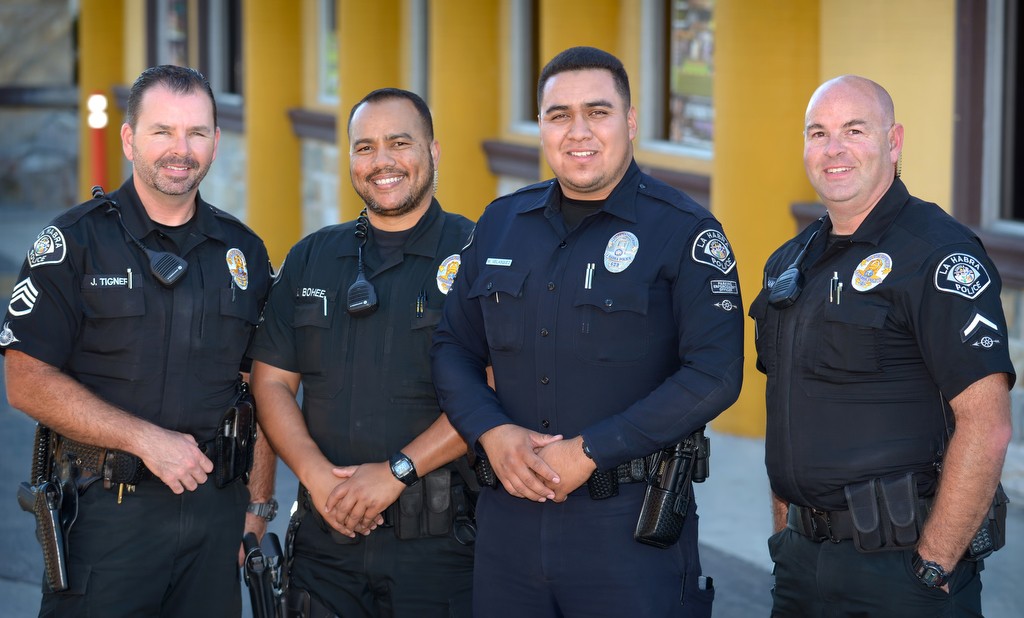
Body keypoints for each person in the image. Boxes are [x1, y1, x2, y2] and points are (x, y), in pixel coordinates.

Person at [430, 46, 744, 617]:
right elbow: (453, 346)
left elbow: (716, 374)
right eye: (558, 115)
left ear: (629, 122)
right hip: (508, 522)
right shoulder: (501, 224)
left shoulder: (685, 231)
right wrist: (491, 433)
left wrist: (592, 451)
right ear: (542, 128)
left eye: (597, 112)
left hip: (629, 528)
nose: (578, 132)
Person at [1, 65, 275, 617]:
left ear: (216, 143)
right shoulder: (72, 243)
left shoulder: (241, 253)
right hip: (105, 514)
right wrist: (146, 440)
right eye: (162, 131)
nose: (181, 148)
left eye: (196, 133)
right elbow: (25, 381)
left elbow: (261, 385)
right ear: (129, 139)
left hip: (214, 515)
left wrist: (259, 504)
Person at [749, 75, 1016, 617]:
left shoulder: (938, 255)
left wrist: (934, 564)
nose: (834, 149)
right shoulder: (788, 264)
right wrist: (785, 536)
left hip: (902, 572)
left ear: (893, 142)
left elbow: (987, 424)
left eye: (854, 130)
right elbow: (786, 408)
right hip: (801, 568)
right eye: (818, 133)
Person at [249, 88, 476, 618]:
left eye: (400, 143)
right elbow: (271, 383)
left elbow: (493, 389)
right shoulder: (312, 258)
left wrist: (396, 471)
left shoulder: (478, 254)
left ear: (433, 152)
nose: (382, 162)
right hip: (326, 548)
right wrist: (317, 477)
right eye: (365, 147)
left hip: (444, 549)